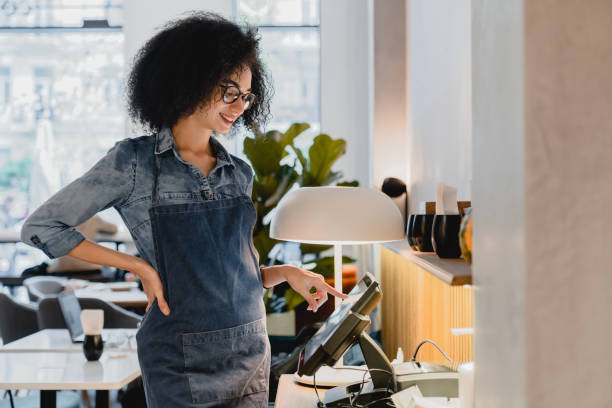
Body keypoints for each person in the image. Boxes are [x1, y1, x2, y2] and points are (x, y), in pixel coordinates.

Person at [20, 12, 346, 407]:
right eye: (230, 91)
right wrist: (138, 267)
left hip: (250, 357)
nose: (240, 105)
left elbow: (231, 274)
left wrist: (286, 273)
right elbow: (42, 226)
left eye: (246, 95)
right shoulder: (135, 163)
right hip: (180, 364)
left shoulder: (238, 173)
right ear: (191, 78)